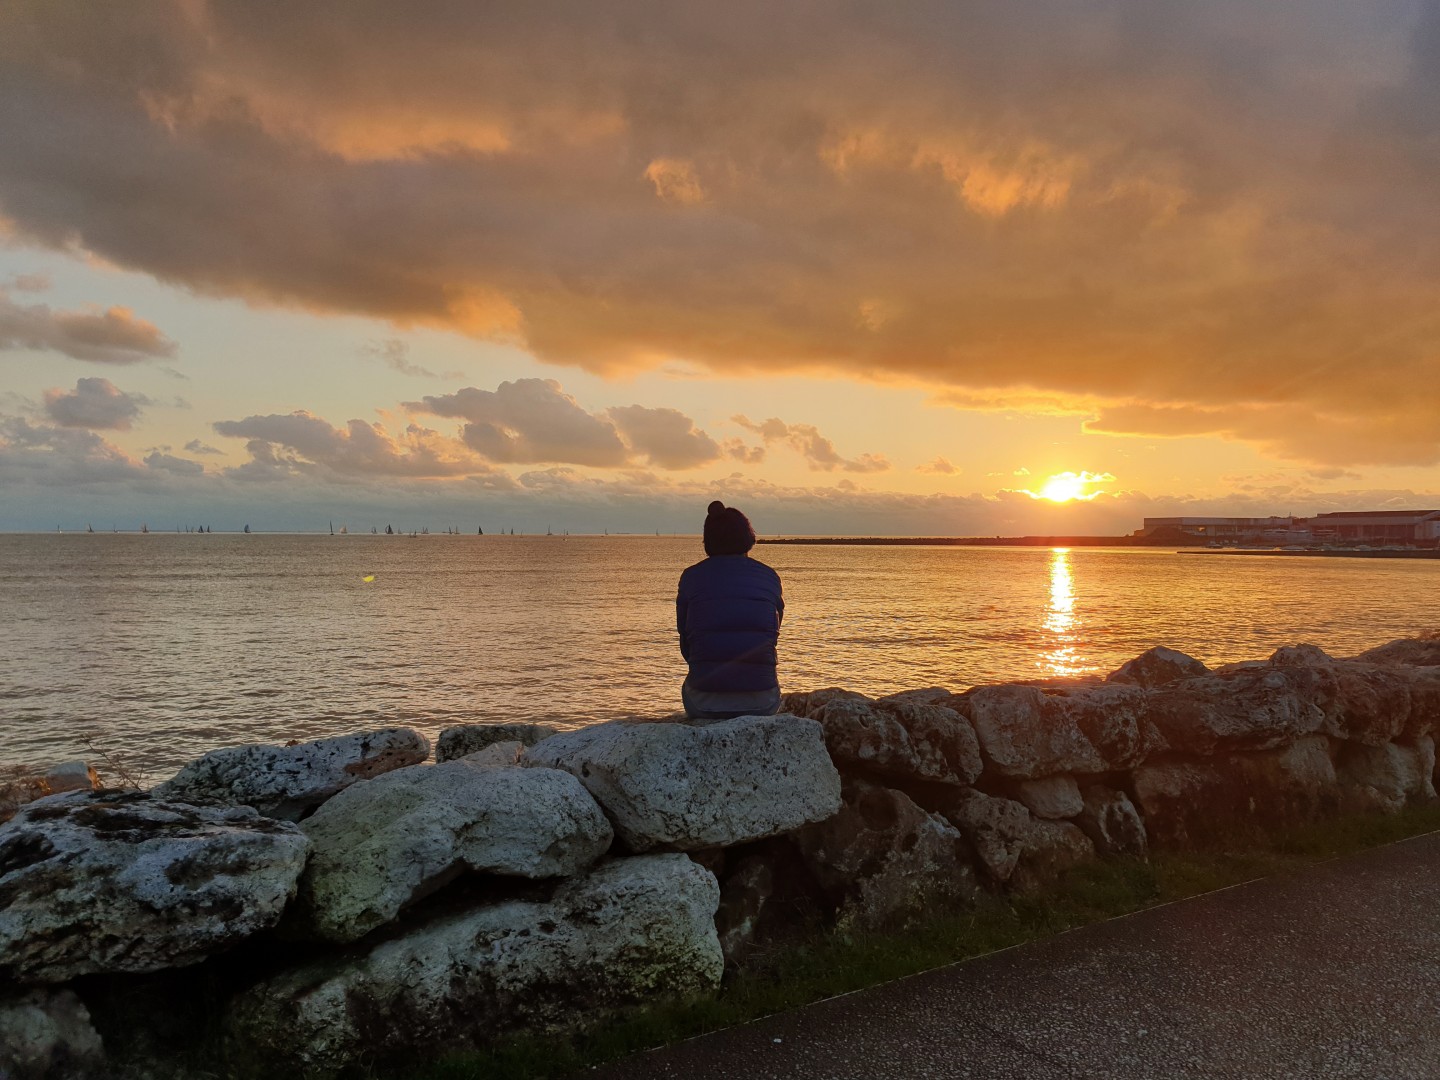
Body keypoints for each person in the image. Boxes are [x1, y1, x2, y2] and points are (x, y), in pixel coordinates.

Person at [676, 500, 785, 720]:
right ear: (747, 537)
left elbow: (686, 641)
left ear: (708, 539)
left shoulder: (691, 577)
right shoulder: (769, 577)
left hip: (703, 701)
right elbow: (772, 636)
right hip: (763, 700)